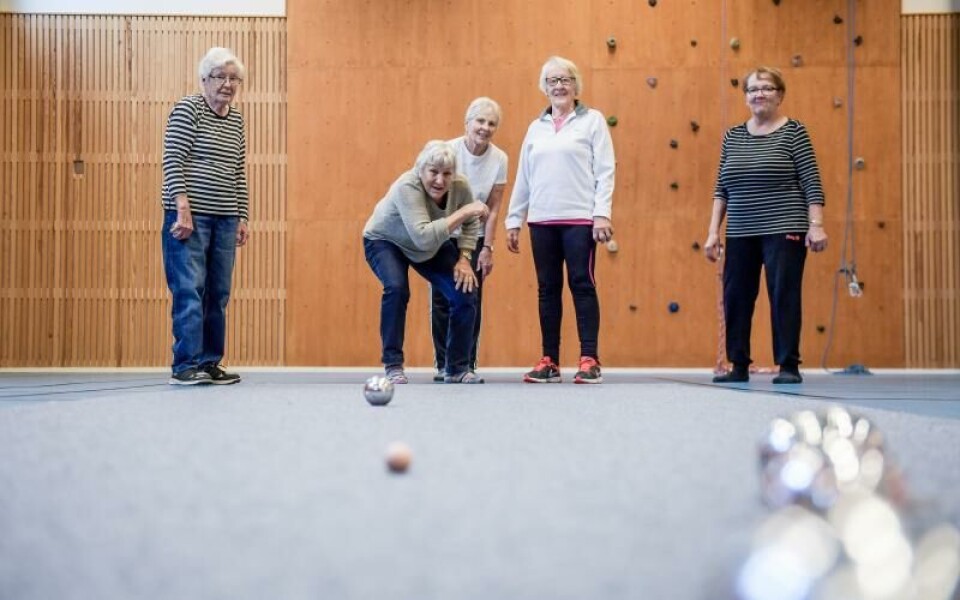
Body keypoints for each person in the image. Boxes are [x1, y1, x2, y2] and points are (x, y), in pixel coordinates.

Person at [704, 66, 828, 385]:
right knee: (736, 297)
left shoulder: (794, 132)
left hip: (785, 225)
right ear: (745, 97)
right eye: (752, 89)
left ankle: (788, 365)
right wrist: (712, 233)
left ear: (780, 94)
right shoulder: (733, 135)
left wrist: (816, 225)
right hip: (741, 230)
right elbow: (722, 187)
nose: (759, 94)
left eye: (767, 88)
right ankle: (739, 364)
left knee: (783, 294)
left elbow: (812, 181)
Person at [505, 56, 616, 384]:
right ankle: (549, 360)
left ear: (575, 85)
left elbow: (606, 170)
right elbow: (524, 176)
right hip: (541, 220)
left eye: (565, 79)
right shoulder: (535, 127)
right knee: (547, 289)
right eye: (552, 80)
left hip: (580, 219)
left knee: (582, 284)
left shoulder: (592, 121)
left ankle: (589, 358)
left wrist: (602, 214)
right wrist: (514, 219)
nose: (559, 86)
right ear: (544, 87)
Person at [364, 140, 490, 384]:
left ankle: (455, 367)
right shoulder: (406, 186)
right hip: (386, 240)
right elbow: (422, 236)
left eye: (446, 174)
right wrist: (463, 212)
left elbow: (472, 223)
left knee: (465, 291)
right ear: (420, 170)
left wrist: (464, 257)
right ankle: (393, 365)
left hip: (429, 243)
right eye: (433, 172)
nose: (440, 181)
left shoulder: (460, 186)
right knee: (397, 288)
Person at [161, 47, 249, 386]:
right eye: (219, 77)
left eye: (233, 78)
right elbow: (173, 160)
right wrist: (181, 207)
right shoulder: (188, 109)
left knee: (218, 292)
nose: (227, 84)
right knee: (189, 289)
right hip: (190, 216)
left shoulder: (237, 119)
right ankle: (185, 365)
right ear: (204, 80)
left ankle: (211, 362)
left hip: (226, 217)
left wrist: (243, 216)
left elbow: (238, 170)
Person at [429, 98, 509, 382]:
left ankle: (465, 364)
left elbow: (494, 206)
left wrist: (487, 247)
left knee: (469, 299)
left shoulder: (500, 159)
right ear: (467, 123)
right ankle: (443, 363)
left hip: (473, 237)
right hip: (443, 233)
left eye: (491, 123)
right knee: (442, 299)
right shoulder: (448, 150)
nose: (485, 128)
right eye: (480, 121)